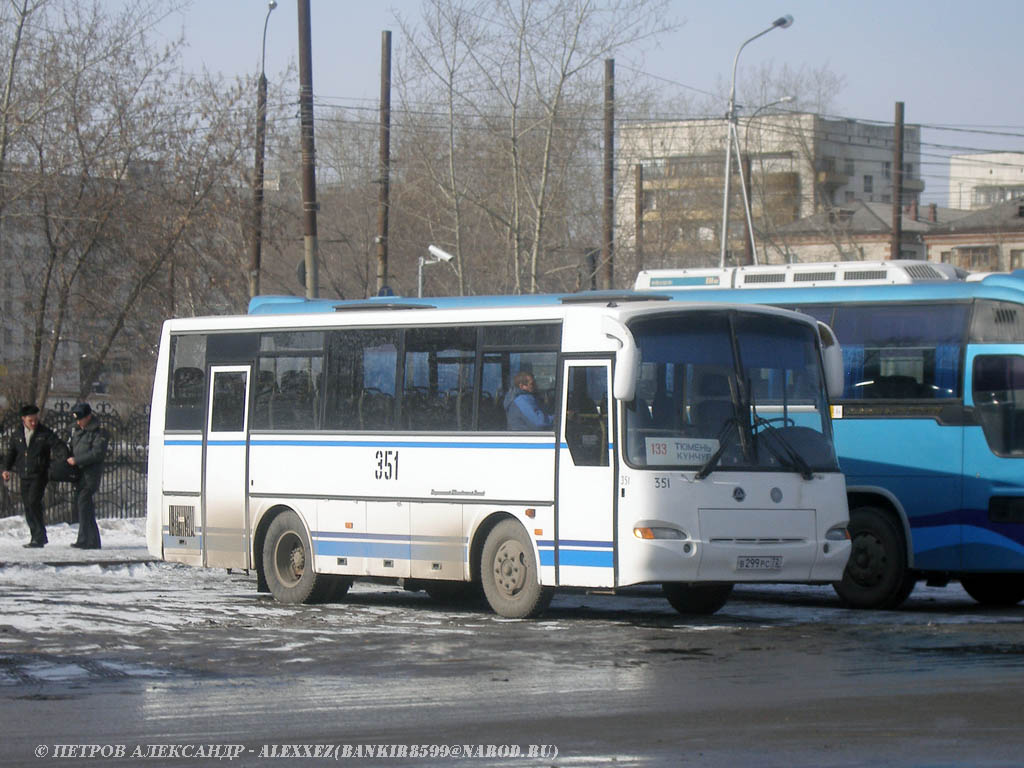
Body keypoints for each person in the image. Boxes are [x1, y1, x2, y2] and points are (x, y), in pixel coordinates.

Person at [2, 404, 57, 548]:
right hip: (24, 474)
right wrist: (6, 469)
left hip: (39, 474)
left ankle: (39, 536)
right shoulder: (18, 434)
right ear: (23, 419)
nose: (33, 423)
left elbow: (58, 445)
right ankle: (36, 536)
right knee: (28, 506)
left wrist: (60, 460)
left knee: (33, 502)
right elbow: (12, 453)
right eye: (30, 420)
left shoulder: (44, 433)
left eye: (35, 420)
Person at [67, 402, 108, 550]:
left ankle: (85, 539)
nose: (78, 422)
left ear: (89, 417)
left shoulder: (99, 432)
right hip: (79, 474)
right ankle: (92, 540)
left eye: (81, 419)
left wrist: (77, 460)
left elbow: (97, 453)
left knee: (83, 503)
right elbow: (72, 447)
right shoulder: (77, 430)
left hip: (91, 474)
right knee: (86, 507)